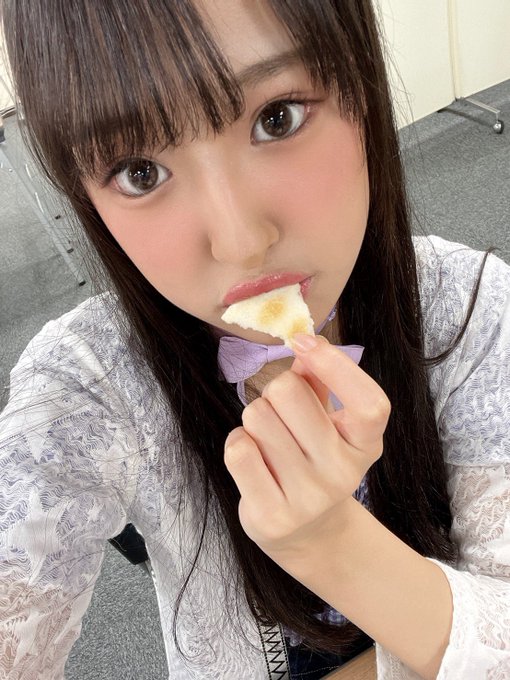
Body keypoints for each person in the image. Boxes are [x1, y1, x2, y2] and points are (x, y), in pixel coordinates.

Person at [0, 1, 509, 678]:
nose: (241, 243)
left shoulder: (470, 306)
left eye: (278, 117)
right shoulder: (85, 388)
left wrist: (331, 544)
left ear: (361, 88)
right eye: (140, 172)